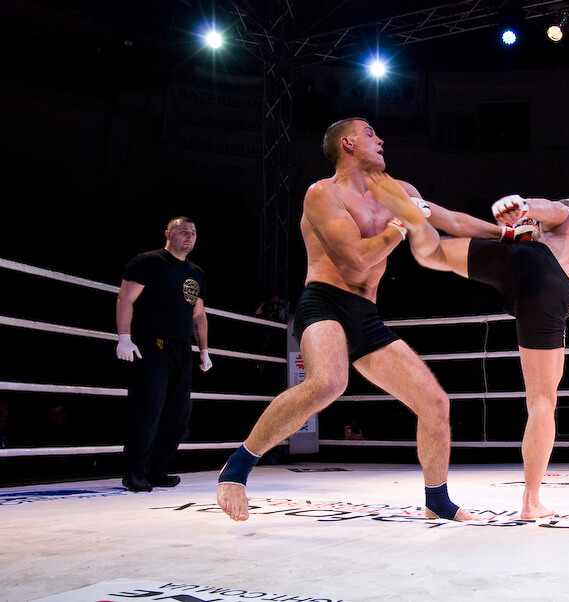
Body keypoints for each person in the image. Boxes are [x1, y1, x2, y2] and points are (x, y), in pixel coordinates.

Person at [217, 117, 506, 522]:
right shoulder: (323, 194)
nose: (381, 139)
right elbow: (355, 262)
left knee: (435, 403)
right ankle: (236, 469)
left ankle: (436, 500)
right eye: (370, 133)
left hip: (366, 314)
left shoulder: (399, 191)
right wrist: (400, 227)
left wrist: (507, 235)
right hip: (324, 303)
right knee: (328, 382)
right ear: (348, 144)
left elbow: (452, 221)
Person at [365, 171, 569, 519]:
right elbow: (551, 221)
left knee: (431, 252)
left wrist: (524, 207)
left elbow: (556, 210)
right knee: (542, 401)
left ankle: (418, 214)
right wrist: (524, 208)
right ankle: (531, 502)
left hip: (527, 265)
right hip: (549, 293)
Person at [115, 216, 213, 492]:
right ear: (168, 234)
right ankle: (135, 471)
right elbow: (125, 298)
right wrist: (124, 337)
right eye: (183, 231)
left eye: (193, 233)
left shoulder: (196, 273)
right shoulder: (148, 261)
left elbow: (198, 314)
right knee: (149, 408)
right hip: (152, 345)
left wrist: (204, 350)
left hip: (182, 348)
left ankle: (158, 469)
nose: (189, 236)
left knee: (178, 414)